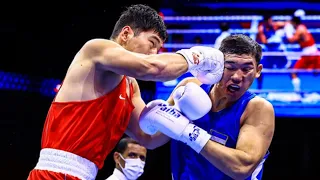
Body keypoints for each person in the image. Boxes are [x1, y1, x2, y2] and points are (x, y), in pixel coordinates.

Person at [27, 4, 224, 180]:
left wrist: (179, 106)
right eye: (152, 43)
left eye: (158, 48)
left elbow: (148, 138)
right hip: (52, 173)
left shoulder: (131, 86)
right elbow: (151, 68)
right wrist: (197, 58)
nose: (154, 53)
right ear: (126, 34)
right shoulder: (96, 49)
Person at [139, 34, 275, 180]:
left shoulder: (256, 108)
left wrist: (188, 132)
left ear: (258, 70)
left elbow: (242, 168)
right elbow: (151, 141)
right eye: (230, 67)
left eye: (246, 69)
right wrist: (158, 117)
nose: (237, 76)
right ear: (219, 65)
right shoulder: (189, 87)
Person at [284, 15, 320, 92]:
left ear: (294, 22)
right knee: (316, 72)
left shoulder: (300, 29)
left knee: (293, 72)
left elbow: (291, 40)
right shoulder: (302, 27)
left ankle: (297, 93)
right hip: (313, 52)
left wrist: (287, 31)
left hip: (308, 53)